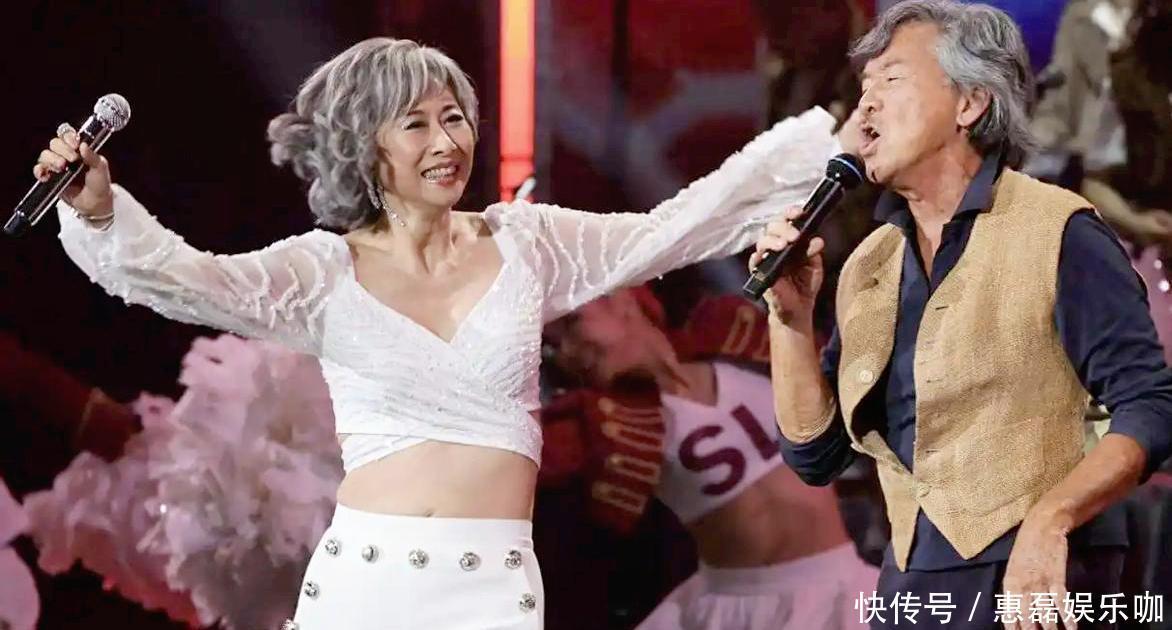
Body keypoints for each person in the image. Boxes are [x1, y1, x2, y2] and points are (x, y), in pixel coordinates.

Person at [34, 37, 852, 629]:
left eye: (454, 117)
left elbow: (675, 227)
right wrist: (99, 210)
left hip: (491, 587)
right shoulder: (322, 270)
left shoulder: (530, 244)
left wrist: (829, 144)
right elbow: (187, 281)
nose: (447, 141)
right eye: (417, 124)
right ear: (367, 145)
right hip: (363, 582)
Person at [752, 2, 1172, 629]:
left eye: (891, 80)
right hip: (912, 580)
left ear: (970, 103)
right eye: (863, 88)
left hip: (1042, 579)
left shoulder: (1059, 231)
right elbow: (817, 456)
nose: (865, 106)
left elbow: (1150, 405)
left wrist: (1053, 517)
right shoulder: (871, 263)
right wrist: (789, 320)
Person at [545, 287, 877, 630]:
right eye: (553, 346)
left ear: (622, 300)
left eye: (571, 324)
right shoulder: (601, 422)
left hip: (841, 584)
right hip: (735, 610)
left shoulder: (738, 341)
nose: (567, 351)